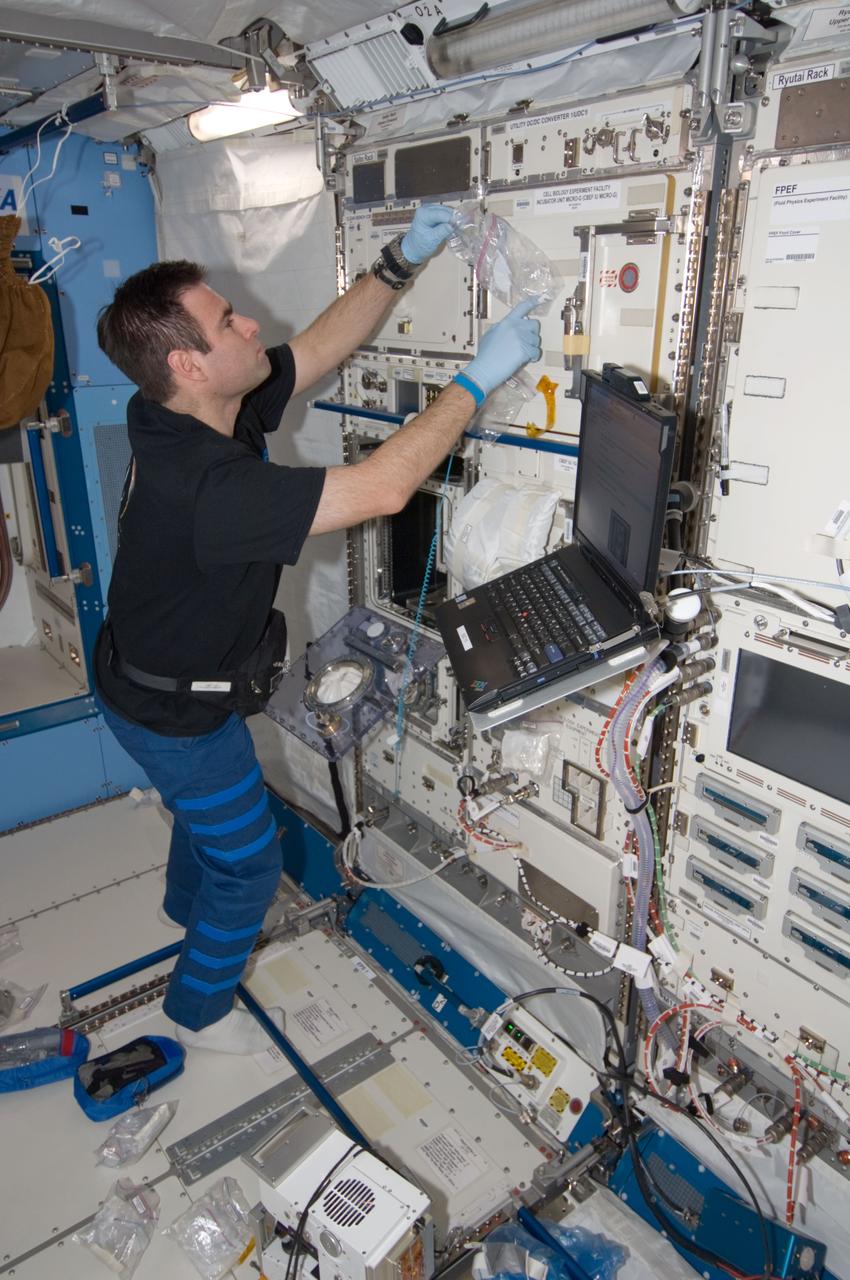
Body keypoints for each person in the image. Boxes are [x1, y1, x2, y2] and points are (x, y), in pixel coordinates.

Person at [93, 204, 540, 1054]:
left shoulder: (177, 408)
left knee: (205, 822)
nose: (250, 321)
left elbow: (319, 350)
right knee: (252, 865)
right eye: (229, 321)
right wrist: (477, 382)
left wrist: (401, 261)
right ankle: (197, 1015)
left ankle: (179, 910)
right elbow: (378, 492)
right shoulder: (207, 489)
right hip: (175, 717)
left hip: (139, 676)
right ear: (190, 362)